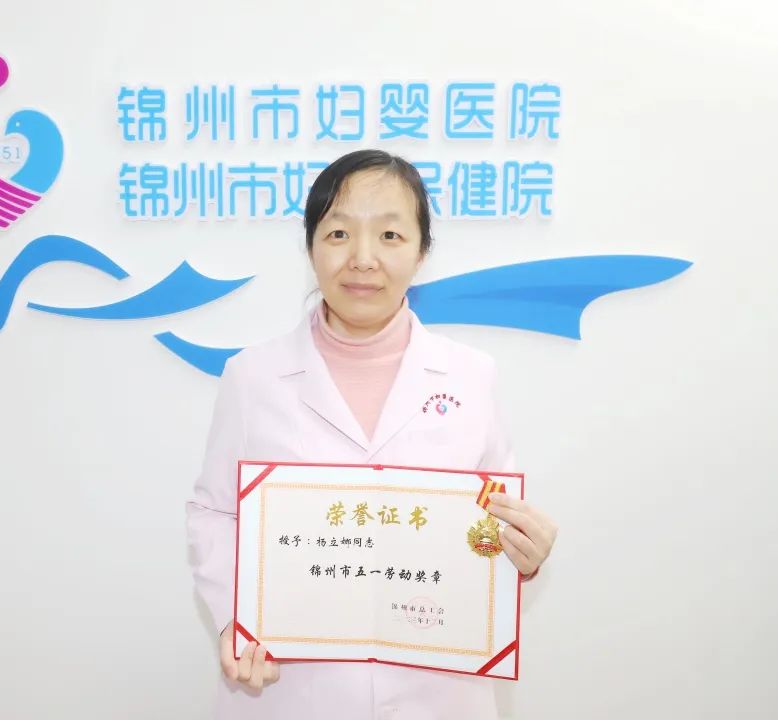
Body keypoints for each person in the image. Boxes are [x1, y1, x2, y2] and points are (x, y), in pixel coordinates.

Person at [186, 149, 558, 719]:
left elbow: (493, 525)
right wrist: (236, 617)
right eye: (338, 233)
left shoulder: (471, 376)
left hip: (437, 692)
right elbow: (214, 511)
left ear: (421, 250)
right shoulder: (251, 376)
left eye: (389, 235)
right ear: (310, 247)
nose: (363, 259)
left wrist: (522, 554)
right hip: (290, 688)